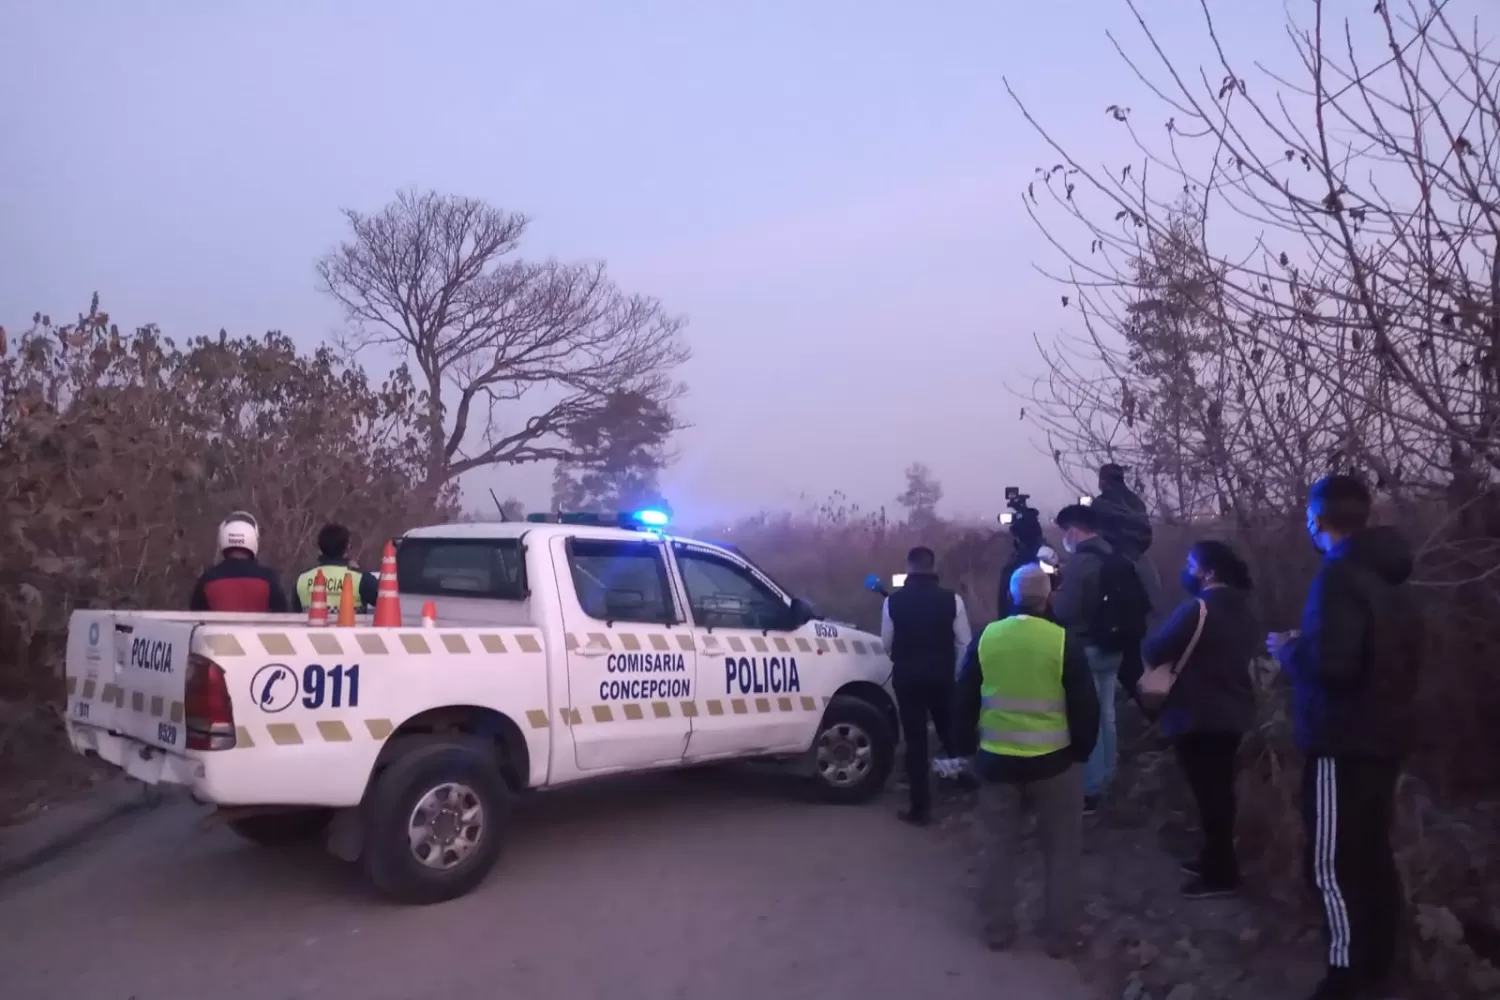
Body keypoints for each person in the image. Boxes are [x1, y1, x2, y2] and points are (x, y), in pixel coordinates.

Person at [1267, 475, 1421, 1000]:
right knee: (1373, 851)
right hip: (1386, 733)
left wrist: (1288, 651)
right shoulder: (1393, 575)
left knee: (1331, 862)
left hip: (1341, 739)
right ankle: (1381, 962)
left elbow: (1332, 667)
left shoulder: (1338, 576)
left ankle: (1345, 974)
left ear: (1317, 520)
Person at [953, 562, 1100, 955]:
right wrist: (1081, 753)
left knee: (997, 847)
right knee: (1061, 850)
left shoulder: (986, 638)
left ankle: (998, 929)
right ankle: (1059, 935)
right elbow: (1086, 705)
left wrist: (964, 751)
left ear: (1012, 596)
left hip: (997, 762)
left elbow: (964, 698)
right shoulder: (1063, 641)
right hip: (1054, 764)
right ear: (1048, 596)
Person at [1141, 540, 1259, 899]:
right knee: (1220, 790)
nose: (1187, 571)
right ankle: (1214, 858)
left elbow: (1155, 648)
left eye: (1192, 564)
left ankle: (1221, 872)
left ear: (1207, 572)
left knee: (1209, 795)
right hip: (1234, 710)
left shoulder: (1199, 608)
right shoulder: (1244, 609)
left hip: (1196, 713)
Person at [1050, 502, 1149, 814]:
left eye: (1066, 532)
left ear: (1075, 530)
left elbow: (1067, 611)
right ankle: (1107, 776)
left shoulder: (1081, 561)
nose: (1065, 538)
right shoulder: (1113, 553)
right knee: (1107, 714)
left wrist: (1053, 596)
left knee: (1087, 717)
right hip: (1115, 646)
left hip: (1088, 647)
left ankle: (1089, 790)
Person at [880, 545, 972, 825]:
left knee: (916, 742)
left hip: (908, 679)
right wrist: (955, 673)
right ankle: (964, 780)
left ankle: (921, 808)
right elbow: (964, 642)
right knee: (950, 732)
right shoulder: (952, 600)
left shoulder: (892, 602)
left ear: (909, 567)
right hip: (943, 677)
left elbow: (886, 642)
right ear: (933, 567)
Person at [188, 511, 289, 613]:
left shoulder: (208, 579)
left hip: (219, 629)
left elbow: (195, 616)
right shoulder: (268, 578)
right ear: (254, 539)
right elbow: (282, 616)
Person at [290, 523, 379, 614]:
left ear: (320, 547)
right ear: (347, 547)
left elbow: (296, 615)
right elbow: (388, 604)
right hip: (351, 627)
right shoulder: (361, 579)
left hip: (313, 627)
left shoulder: (302, 579)